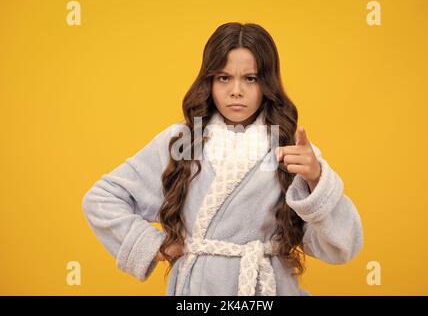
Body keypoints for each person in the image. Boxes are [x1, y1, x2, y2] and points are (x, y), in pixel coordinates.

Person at [82, 22, 363, 296]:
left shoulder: (292, 149)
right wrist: (151, 245)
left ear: (267, 84)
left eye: (250, 78)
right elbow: (102, 198)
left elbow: (342, 247)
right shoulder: (181, 141)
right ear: (209, 81)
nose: (236, 90)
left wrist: (316, 180)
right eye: (224, 77)